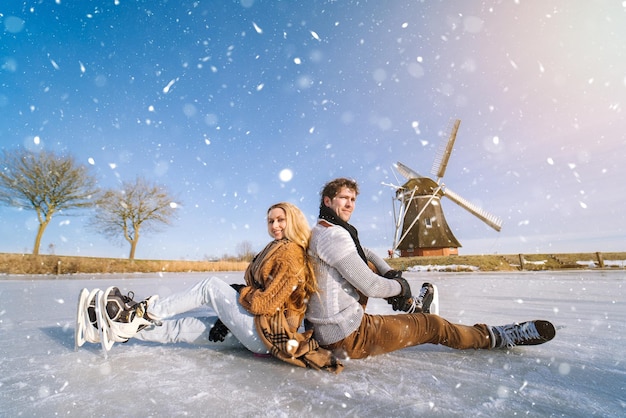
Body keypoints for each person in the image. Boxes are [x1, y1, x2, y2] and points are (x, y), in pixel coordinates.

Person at [75, 202, 343, 373]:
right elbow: (256, 294)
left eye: (280, 220)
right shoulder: (273, 248)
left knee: (210, 286)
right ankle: (110, 331)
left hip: (267, 334)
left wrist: (239, 295)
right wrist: (228, 318)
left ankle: (141, 312)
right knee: (183, 328)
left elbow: (264, 304)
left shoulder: (291, 254)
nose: (275, 225)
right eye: (271, 220)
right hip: (253, 329)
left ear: (292, 221)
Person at [304, 178, 556, 360]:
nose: (349, 204)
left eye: (352, 199)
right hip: (346, 336)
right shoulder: (334, 236)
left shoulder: (329, 229)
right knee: (432, 325)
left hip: (332, 326)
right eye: (343, 199)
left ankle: (413, 307)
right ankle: (493, 336)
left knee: (367, 264)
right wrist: (400, 286)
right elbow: (369, 285)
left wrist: (391, 273)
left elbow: (366, 253)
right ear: (327, 201)